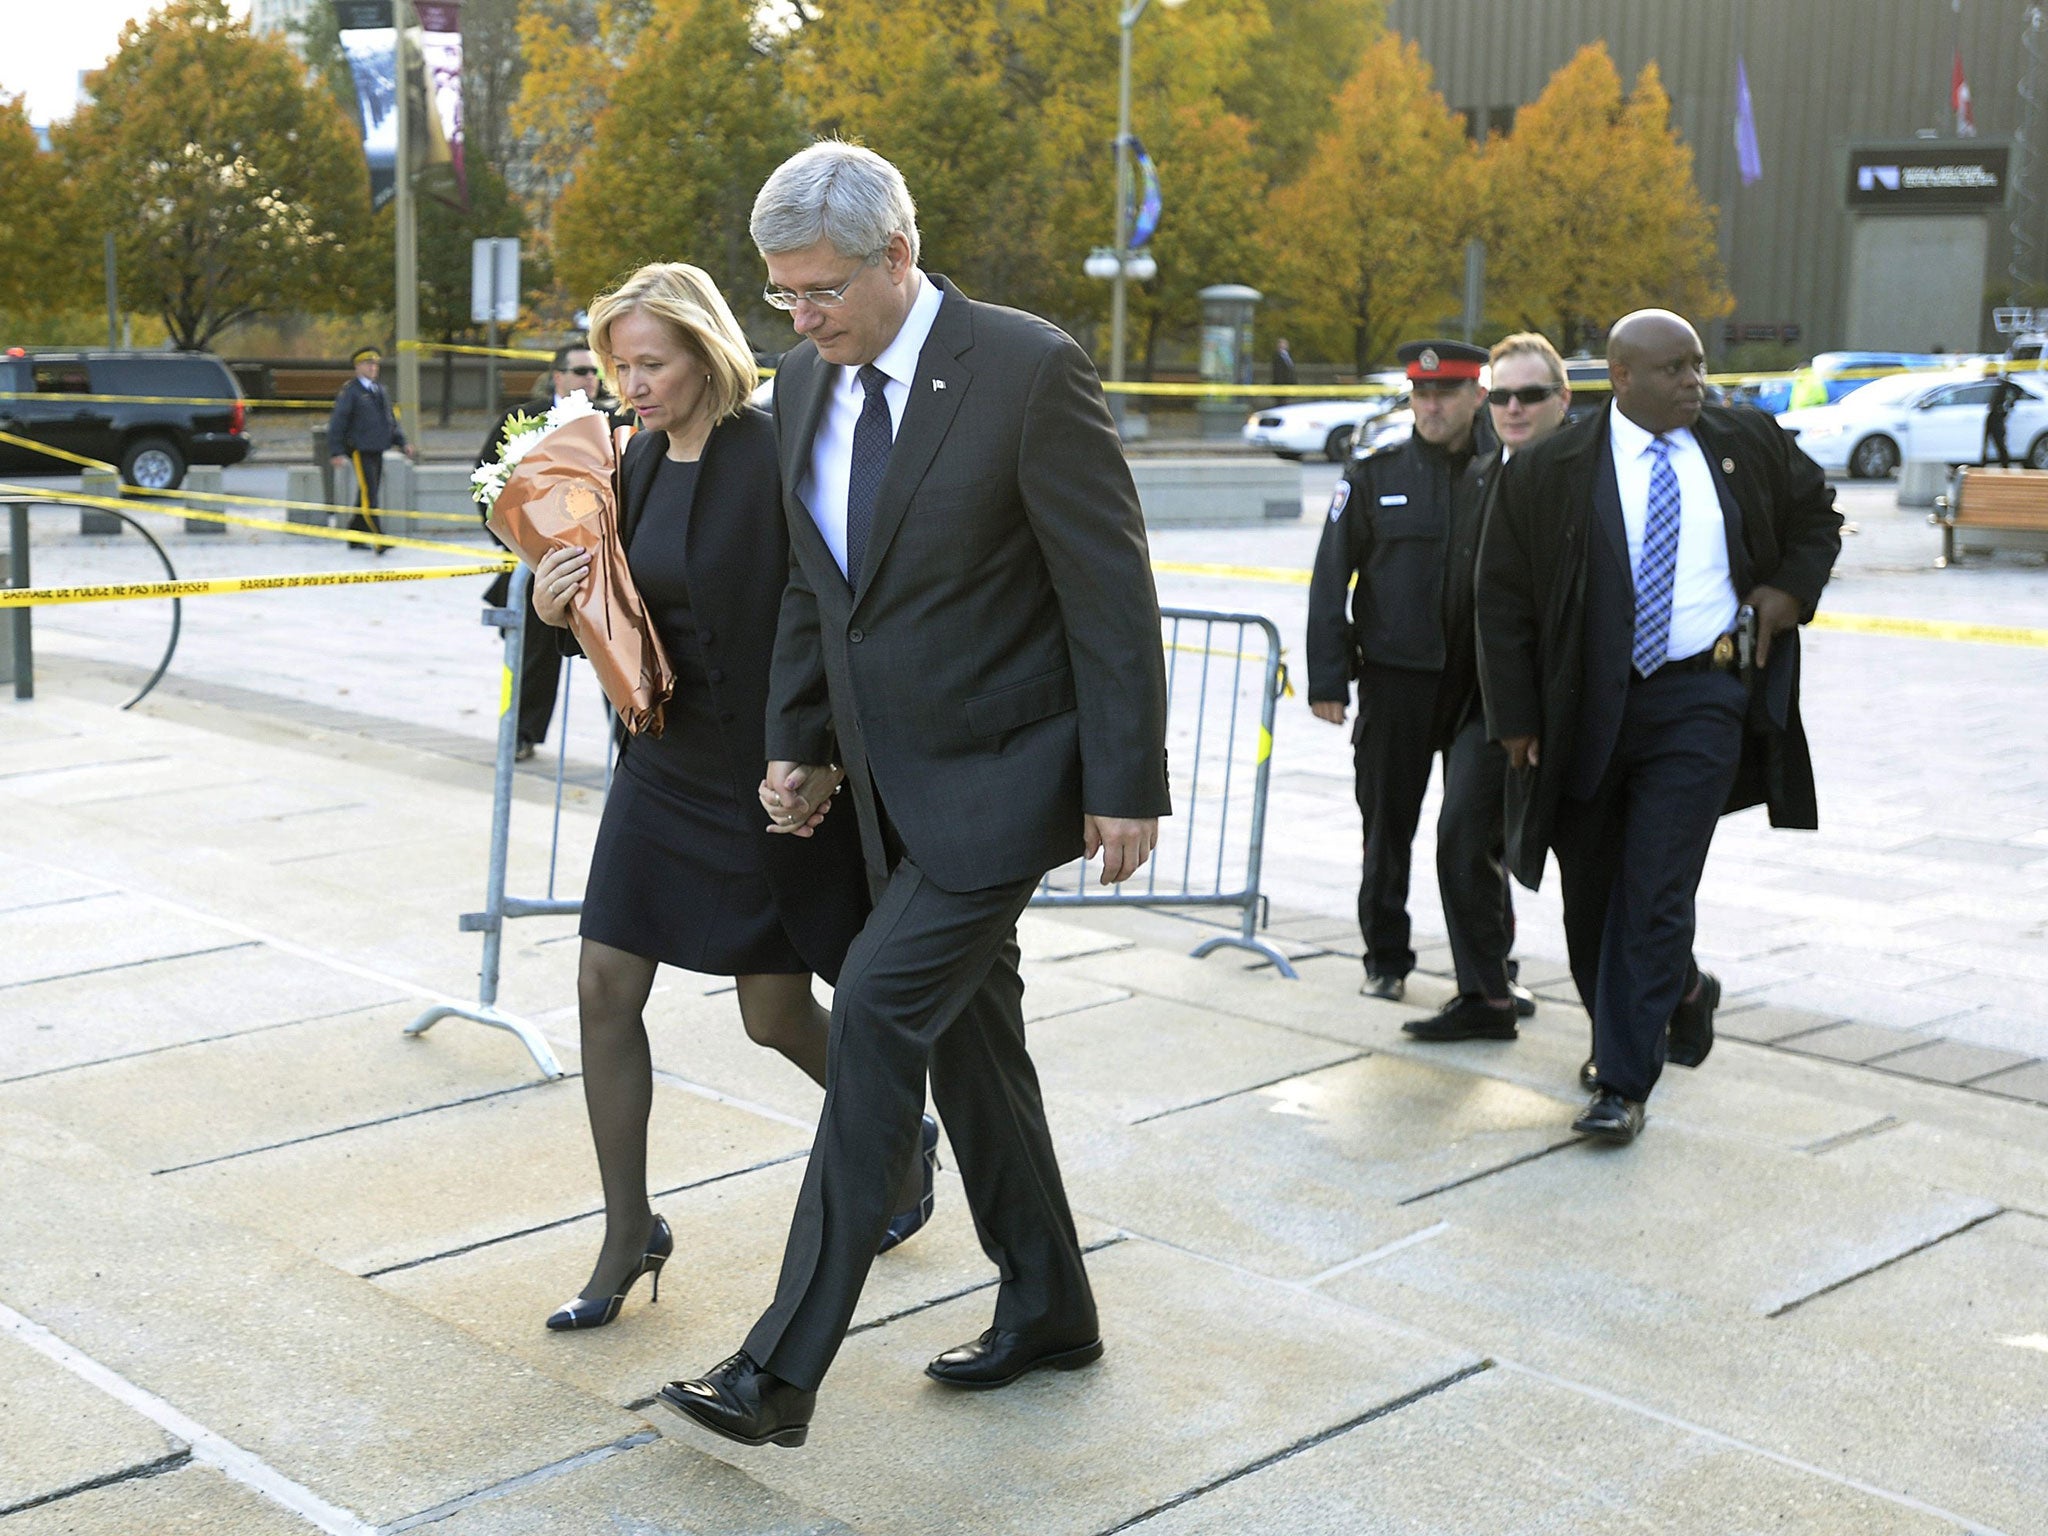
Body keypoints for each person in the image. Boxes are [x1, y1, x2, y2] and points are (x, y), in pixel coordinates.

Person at [658, 141, 1170, 1450]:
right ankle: (1052, 1305)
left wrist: (1126, 781)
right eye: (782, 295)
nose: (801, 316)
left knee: (880, 1012)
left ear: (899, 256)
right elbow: (811, 588)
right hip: (887, 795)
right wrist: (798, 738)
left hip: (1007, 776)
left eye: (821, 289)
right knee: (973, 1048)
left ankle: (778, 1372)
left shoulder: (1027, 369)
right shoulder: (801, 385)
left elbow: (1108, 588)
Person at [523, 262, 934, 1335]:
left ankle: (900, 1133)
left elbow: (839, 613)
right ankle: (627, 1230)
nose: (631, 385)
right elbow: (631, 629)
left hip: (768, 771)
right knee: (604, 987)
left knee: (772, 1014)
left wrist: (823, 758)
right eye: (619, 367)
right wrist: (554, 605)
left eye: (649, 363)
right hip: (661, 768)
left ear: (705, 352)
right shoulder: (638, 464)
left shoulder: (776, 455)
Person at [1476, 309, 1842, 1144]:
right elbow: (1500, 599)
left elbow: (1817, 517)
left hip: (1701, 700)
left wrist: (1786, 594)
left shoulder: (1744, 441)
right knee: (1592, 890)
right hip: (1586, 707)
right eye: (1674, 370)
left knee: (1655, 886)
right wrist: (1516, 719)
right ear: (1623, 378)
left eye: (1698, 365)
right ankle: (1675, 995)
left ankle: (1622, 1078)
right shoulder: (1550, 469)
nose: (1694, 383)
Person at [1307, 338, 1534, 1031]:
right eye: (1420, 392)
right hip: (1396, 683)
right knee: (1387, 828)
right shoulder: (1375, 474)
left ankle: (1490, 968)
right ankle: (1386, 956)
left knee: (1474, 831)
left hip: (1479, 689)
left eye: (1446, 393)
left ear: (1476, 397)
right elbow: (1330, 576)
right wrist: (1328, 678)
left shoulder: (1508, 473)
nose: (1430, 404)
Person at [477, 341, 619, 761]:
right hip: (541, 567)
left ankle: (633, 737)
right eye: (580, 371)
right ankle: (519, 732)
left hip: (606, 566)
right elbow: (488, 487)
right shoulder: (522, 422)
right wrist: (526, 548)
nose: (589, 379)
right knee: (532, 659)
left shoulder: (618, 418)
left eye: (595, 372)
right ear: (558, 376)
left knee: (616, 653)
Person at [327, 346, 413, 555]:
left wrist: (402, 442)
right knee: (369, 496)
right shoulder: (351, 391)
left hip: (378, 448)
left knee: (366, 492)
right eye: (368, 364)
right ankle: (379, 538)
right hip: (360, 449)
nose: (373, 368)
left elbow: (390, 420)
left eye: (375, 364)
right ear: (358, 367)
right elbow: (338, 422)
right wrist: (336, 451)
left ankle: (355, 536)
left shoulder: (379, 390)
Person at [1983, 375, 2024, 467]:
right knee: (1993, 442)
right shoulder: (1997, 385)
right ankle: (2001, 463)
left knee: (1999, 442)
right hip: (1992, 416)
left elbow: (2017, 392)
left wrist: (2008, 406)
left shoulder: (2005, 386)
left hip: (1997, 417)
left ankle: (2005, 463)